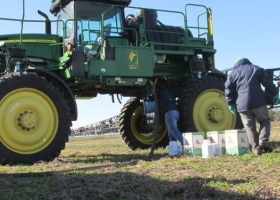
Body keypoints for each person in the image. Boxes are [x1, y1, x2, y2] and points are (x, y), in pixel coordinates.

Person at [225, 57, 280, 156]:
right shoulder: (256, 69)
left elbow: (229, 90)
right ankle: (263, 141)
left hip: (242, 106)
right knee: (264, 121)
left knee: (249, 127)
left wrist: (230, 103)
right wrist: (275, 93)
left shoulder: (232, 74)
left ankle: (256, 149)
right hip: (258, 102)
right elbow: (267, 83)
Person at [156, 79, 185, 156]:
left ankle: (186, 145)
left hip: (169, 113)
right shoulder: (169, 92)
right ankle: (174, 151)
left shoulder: (160, 92)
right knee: (170, 133)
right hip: (176, 112)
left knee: (174, 131)